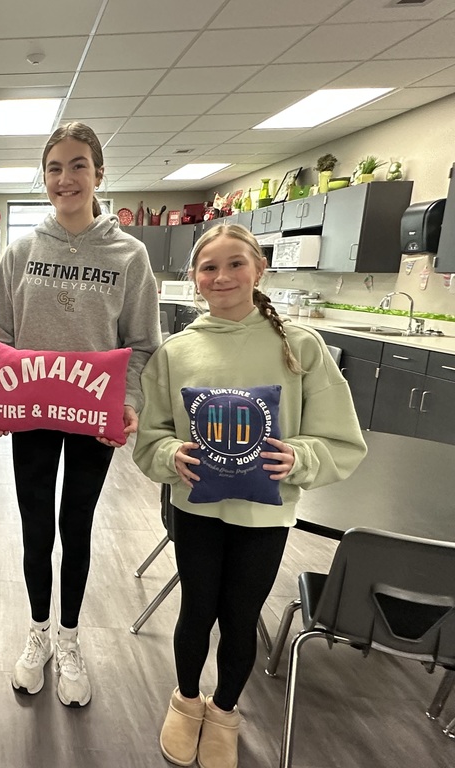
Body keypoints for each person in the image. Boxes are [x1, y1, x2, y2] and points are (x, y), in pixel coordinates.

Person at [132, 224, 366, 768]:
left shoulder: (300, 347)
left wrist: (299, 457)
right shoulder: (177, 352)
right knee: (197, 610)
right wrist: (171, 455)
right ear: (195, 279)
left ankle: (225, 711)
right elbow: (152, 434)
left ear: (258, 269)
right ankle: (186, 700)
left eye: (235, 264)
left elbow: (340, 438)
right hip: (197, 509)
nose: (222, 277)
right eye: (208, 267)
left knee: (241, 617)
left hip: (267, 514)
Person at [0, 121, 162, 707]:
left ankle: (70, 636)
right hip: (32, 412)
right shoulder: (21, 251)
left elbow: (141, 342)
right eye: (55, 167)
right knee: (35, 527)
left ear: (98, 174)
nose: (66, 178)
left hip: (92, 415)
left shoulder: (130, 256)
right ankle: (37, 633)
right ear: (44, 177)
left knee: (76, 527)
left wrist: (130, 400)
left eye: (78, 165)